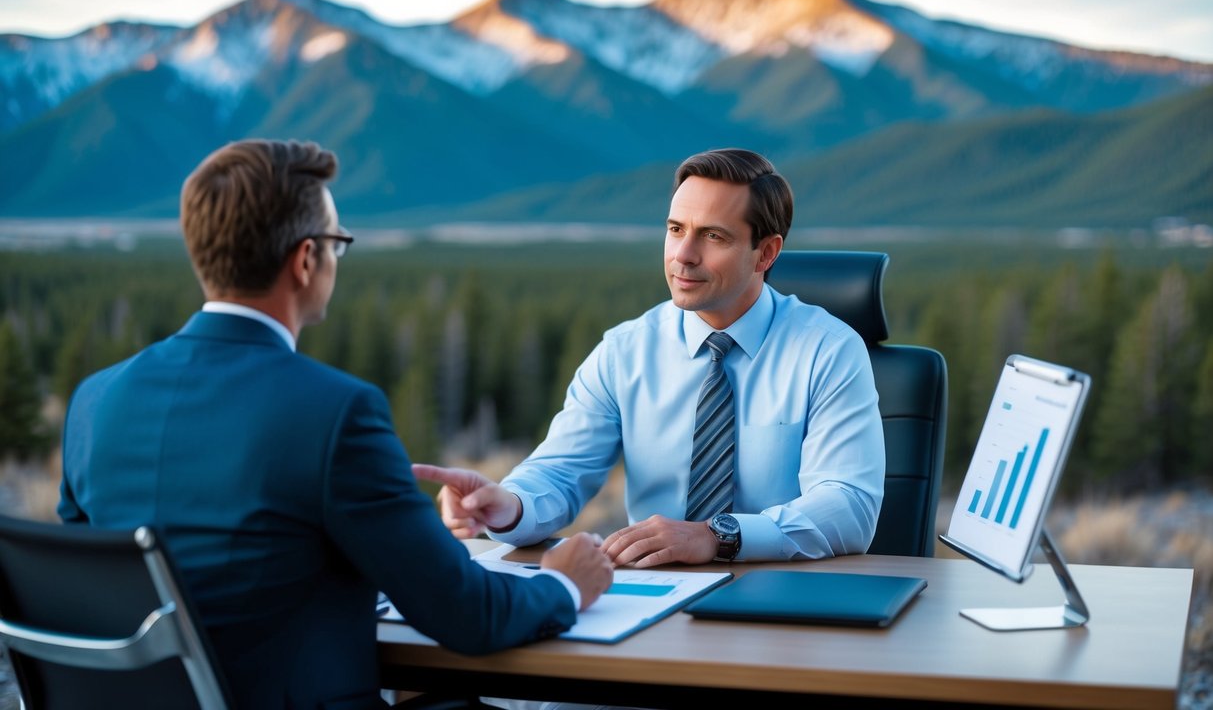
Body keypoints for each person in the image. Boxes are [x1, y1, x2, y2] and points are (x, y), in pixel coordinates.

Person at [58, 139, 613, 710]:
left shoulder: (93, 401)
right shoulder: (335, 412)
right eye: (337, 243)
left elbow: (82, 590)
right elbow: (468, 616)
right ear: (305, 260)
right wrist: (565, 582)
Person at [415, 148, 885, 569]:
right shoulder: (626, 351)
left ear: (765, 253)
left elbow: (848, 506)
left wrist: (715, 536)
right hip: (654, 594)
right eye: (675, 229)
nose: (683, 255)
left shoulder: (828, 350)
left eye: (713, 237)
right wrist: (509, 504)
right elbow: (559, 472)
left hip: (787, 594)